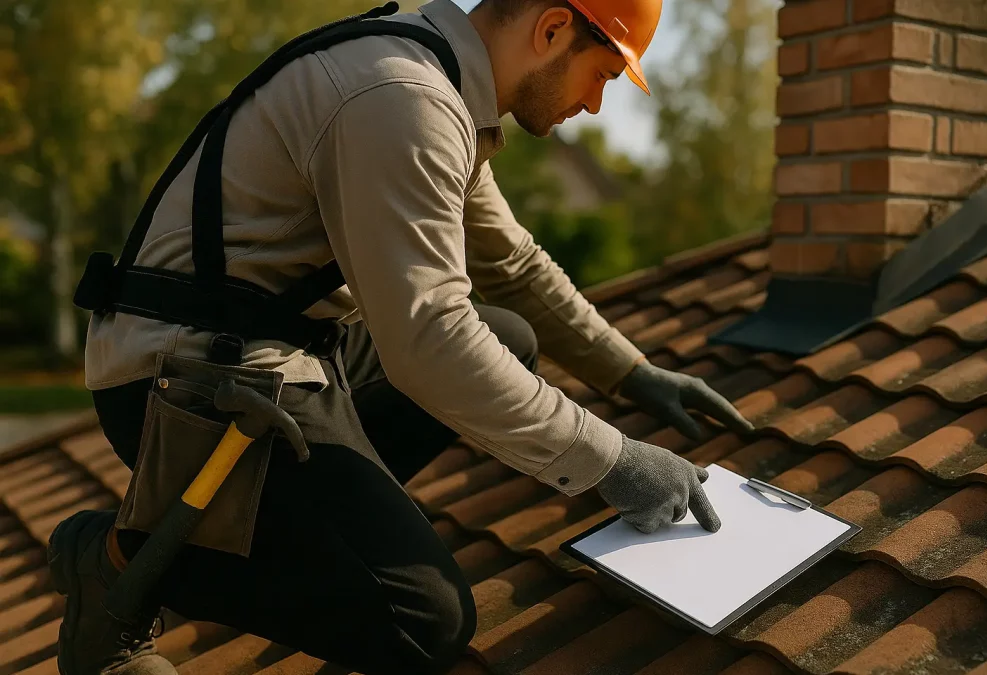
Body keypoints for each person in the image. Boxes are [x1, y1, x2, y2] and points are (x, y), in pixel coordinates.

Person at [47, 0, 754, 673]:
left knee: (507, 338)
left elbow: (509, 264)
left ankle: (287, 518)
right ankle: (115, 556)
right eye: (601, 74)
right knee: (422, 619)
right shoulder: (402, 98)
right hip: (177, 377)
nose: (596, 104)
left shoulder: (440, 82)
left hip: (275, 351)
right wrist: (615, 460)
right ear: (554, 29)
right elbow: (430, 341)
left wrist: (632, 373)